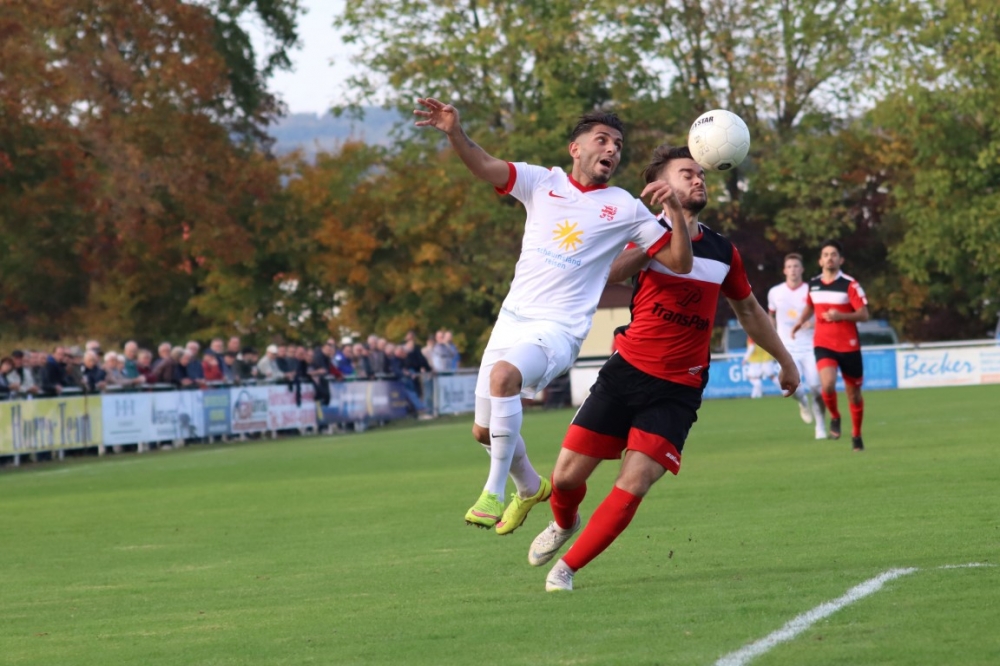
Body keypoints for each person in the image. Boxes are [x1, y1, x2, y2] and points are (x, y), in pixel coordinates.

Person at [527, 144, 799, 591]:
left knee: (635, 481)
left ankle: (567, 570)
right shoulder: (637, 230)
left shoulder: (723, 251)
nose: (698, 179)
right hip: (626, 372)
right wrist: (659, 235)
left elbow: (749, 310)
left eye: (701, 174)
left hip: (679, 388)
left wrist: (785, 360)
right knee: (565, 477)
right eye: (686, 173)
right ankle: (564, 522)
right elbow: (608, 272)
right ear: (660, 186)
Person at [413, 97, 693, 533]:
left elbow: (680, 262)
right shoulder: (541, 181)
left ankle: (491, 493)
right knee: (483, 432)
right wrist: (454, 132)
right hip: (512, 320)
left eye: (618, 144)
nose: (612, 149)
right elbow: (483, 165)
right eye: (602, 140)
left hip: (560, 329)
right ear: (575, 149)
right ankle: (530, 487)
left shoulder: (624, 206)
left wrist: (673, 212)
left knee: (504, 378)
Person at [791, 240, 870, 451]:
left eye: (834, 254)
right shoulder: (813, 284)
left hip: (849, 345)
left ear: (841, 260)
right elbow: (810, 306)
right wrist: (800, 321)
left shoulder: (850, 284)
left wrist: (841, 315)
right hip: (823, 343)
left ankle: (856, 434)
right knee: (826, 384)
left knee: (854, 394)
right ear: (820, 260)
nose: (829, 258)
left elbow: (864, 314)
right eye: (825, 254)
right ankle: (835, 416)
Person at [768, 253, 827, 438]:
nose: (793, 270)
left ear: (802, 269)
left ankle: (820, 427)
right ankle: (802, 401)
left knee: (817, 388)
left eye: (796, 266)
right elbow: (770, 316)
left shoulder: (811, 290)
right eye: (789, 267)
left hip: (810, 346)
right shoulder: (775, 292)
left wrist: (813, 323)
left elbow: (822, 314)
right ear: (784, 270)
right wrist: (771, 336)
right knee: (790, 388)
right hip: (786, 348)